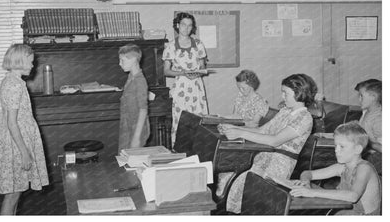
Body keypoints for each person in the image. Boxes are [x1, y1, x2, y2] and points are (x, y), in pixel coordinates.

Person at [218, 73, 317, 213]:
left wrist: (240, 133)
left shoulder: (304, 118)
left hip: (278, 165)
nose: (282, 97)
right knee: (231, 179)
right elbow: (263, 130)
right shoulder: (285, 111)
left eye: (285, 93)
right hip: (264, 157)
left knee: (243, 185)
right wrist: (234, 128)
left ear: (299, 93)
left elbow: (275, 141)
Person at [0, 44, 49, 215]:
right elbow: (12, 122)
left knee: (16, 193)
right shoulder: (14, 85)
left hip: (17, 140)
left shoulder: (13, 81)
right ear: (19, 62)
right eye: (30, 62)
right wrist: (24, 152)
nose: (32, 66)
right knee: (13, 195)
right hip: (17, 145)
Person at [291, 121, 381, 215]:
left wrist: (312, 192)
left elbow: (353, 196)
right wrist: (305, 182)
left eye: (342, 147)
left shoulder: (364, 168)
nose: (336, 150)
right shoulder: (342, 167)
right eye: (335, 146)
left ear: (357, 149)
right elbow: (307, 173)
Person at [162, 12, 209, 145]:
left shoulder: (198, 44)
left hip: (196, 86)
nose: (186, 28)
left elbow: (202, 67)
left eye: (190, 26)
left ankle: (199, 149)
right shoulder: (170, 46)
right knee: (180, 118)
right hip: (181, 86)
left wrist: (197, 73)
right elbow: (166, 71)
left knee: (198, 118)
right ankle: (180, 149)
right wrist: (183, 73)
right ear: (178, 25)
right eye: (183, 25)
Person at [118, 44, 150, 152]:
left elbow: (143, 110)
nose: (120, 64)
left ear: (134, 60)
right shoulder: (131, 77)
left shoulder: (140, 81)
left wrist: (136, 138)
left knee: (132, 161)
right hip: (127, 126)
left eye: (122, 60)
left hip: (136, 129)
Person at [354, 79, 382, 174]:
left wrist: (367, 141)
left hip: (377, 156)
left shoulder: (379, 119)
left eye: (361, 96)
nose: (359, 100)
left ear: (373, 97)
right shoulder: (366, 112)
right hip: (365, 151)